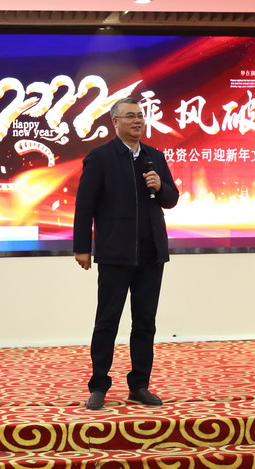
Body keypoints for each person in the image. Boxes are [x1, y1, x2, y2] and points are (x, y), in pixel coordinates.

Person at [73, 97, 179, 410]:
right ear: (115, 122)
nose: (137, 121)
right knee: (107, 321)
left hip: (151, 253)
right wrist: (82, 247)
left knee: (145, 322)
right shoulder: (100, 157)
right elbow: (85, 205)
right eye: (130, 116)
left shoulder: (154, 157)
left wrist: (160, 186)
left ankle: (139, 385)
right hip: (114, 253)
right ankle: (98, 386)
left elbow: (171, 199)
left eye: (140, 116)